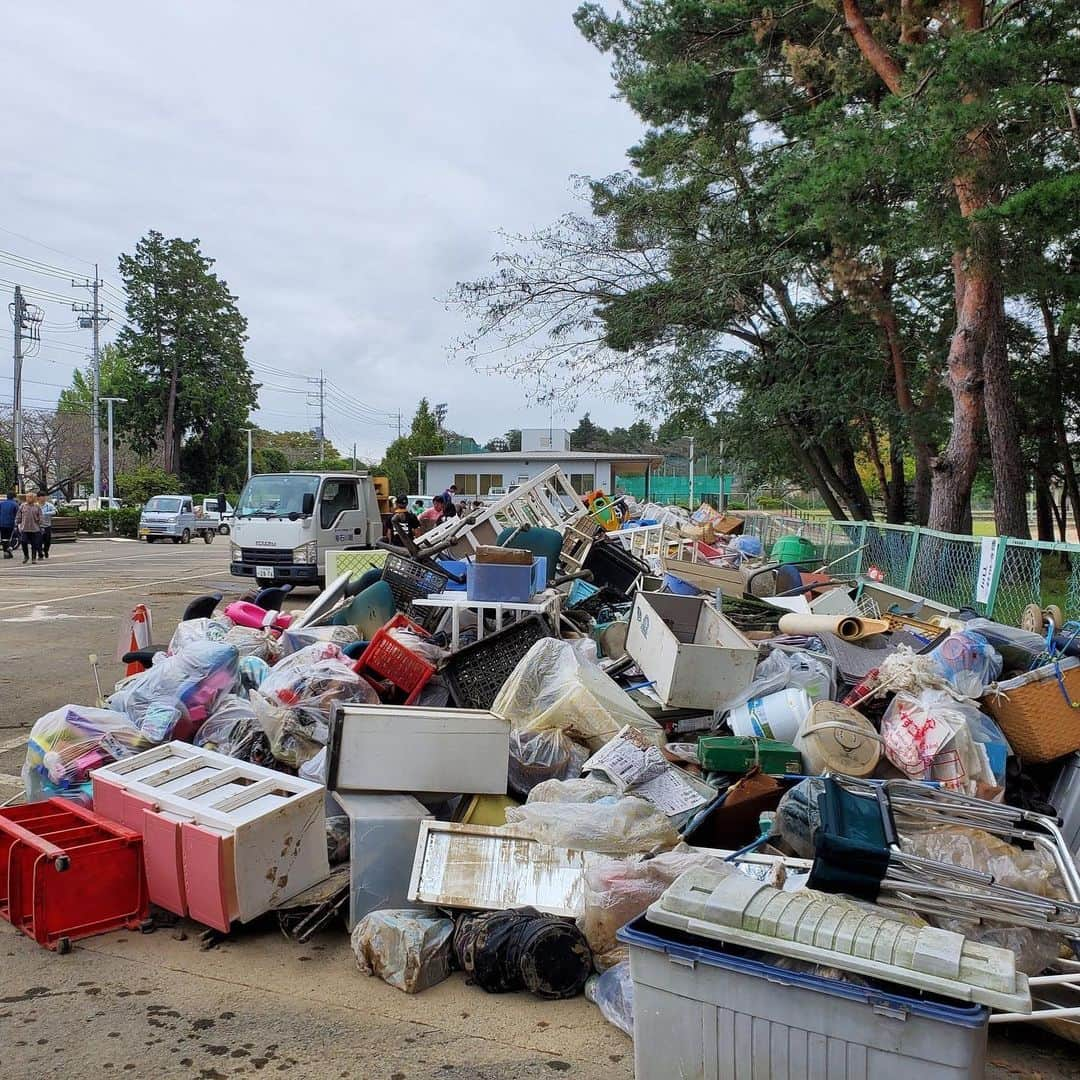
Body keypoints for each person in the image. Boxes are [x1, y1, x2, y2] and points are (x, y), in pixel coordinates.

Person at [15, 493, 43, 564]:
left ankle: (33, 558)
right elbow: (19, 515)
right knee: (23, 542)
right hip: (24, 528)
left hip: (35, 529)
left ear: (33, 498)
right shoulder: (23, 506)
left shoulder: (37, 506)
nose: (28, 498)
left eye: (30, 497)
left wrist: (40, 521)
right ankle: (26, 556)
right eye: (27, 497)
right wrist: (17, 522)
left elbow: (41, 516)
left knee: (34, 544)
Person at [38, 491, 57, 559]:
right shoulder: (36, 505)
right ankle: (40, 554)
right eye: (41, 497)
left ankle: (46, 550)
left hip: (47, 525)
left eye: (44, 497)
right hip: (38, 526)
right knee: (39, 541)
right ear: (38, 498)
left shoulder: (49, 505)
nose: (43, 498)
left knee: (47, 541)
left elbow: (55, 511)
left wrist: (46, 513)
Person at [0, 491, 17, 559]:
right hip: (10, 523)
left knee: (4, 538)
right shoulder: (15, 504)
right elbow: (18, 514)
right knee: (12, 537)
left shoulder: (1, 504)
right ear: (14, 497)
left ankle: (5, 553)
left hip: (1, 523)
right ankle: (9, 549)